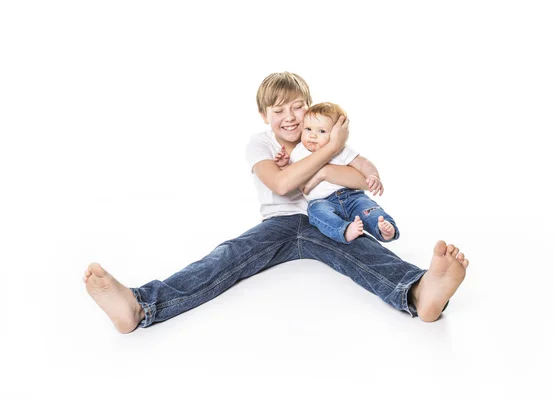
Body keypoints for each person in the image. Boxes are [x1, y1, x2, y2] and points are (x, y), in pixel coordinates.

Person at [83, 71, 470, 333]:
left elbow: (358, 179)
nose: (289, 117)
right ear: (264, 115)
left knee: (365, 252)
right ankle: (141, 306)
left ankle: (420, 293)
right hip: (281, 225)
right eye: (278, 110)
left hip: (330, 218)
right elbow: (283, 185)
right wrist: (329, 152)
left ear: (311, 107)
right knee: (227, 257)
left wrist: (325, 163)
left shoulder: (318, 136)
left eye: (297, 107)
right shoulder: (262, 144)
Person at [276, 101, 399, 244]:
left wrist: (373, 175)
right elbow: (292, 177)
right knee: (317, 214)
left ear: (336, 133)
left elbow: (363, 163)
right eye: (308, 129)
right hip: (321, 202)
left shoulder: (341, 149)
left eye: (321, 131)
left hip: (351, 196)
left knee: (368, 209)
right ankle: (344, 230)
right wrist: (284, 165)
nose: (312, 135)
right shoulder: (298, 152)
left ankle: (383, 229)